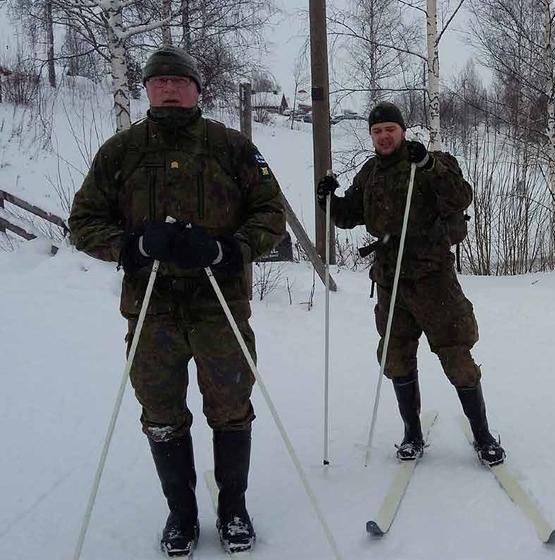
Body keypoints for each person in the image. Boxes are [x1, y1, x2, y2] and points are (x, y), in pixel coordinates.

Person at [68, 46, 286, 557]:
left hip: (218, 304)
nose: (168, 87)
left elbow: (270, 212)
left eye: (178, 80)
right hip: (151, 307)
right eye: (158, 80)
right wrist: (131, 245)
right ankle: (181, 515)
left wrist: (228, 248)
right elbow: (83, 221)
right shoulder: (120, 152)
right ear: (145, 90)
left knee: (231, 406)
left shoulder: (231, 146)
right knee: (161, 410)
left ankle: (233, 508)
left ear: (196, 90)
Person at [315, 102, 505, 466]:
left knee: (456, 354)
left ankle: (483, 436)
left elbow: (461, 196)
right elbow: (350, 216)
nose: (384, 136)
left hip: (433, 279)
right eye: (377, 131)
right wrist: (328, 199)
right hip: (390, 282)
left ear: (402, 130)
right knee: (396, 358)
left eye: (390, 129)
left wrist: (430, 167)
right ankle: (412, 434)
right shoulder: (370, 172)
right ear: (371, 136)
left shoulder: (429, 161)